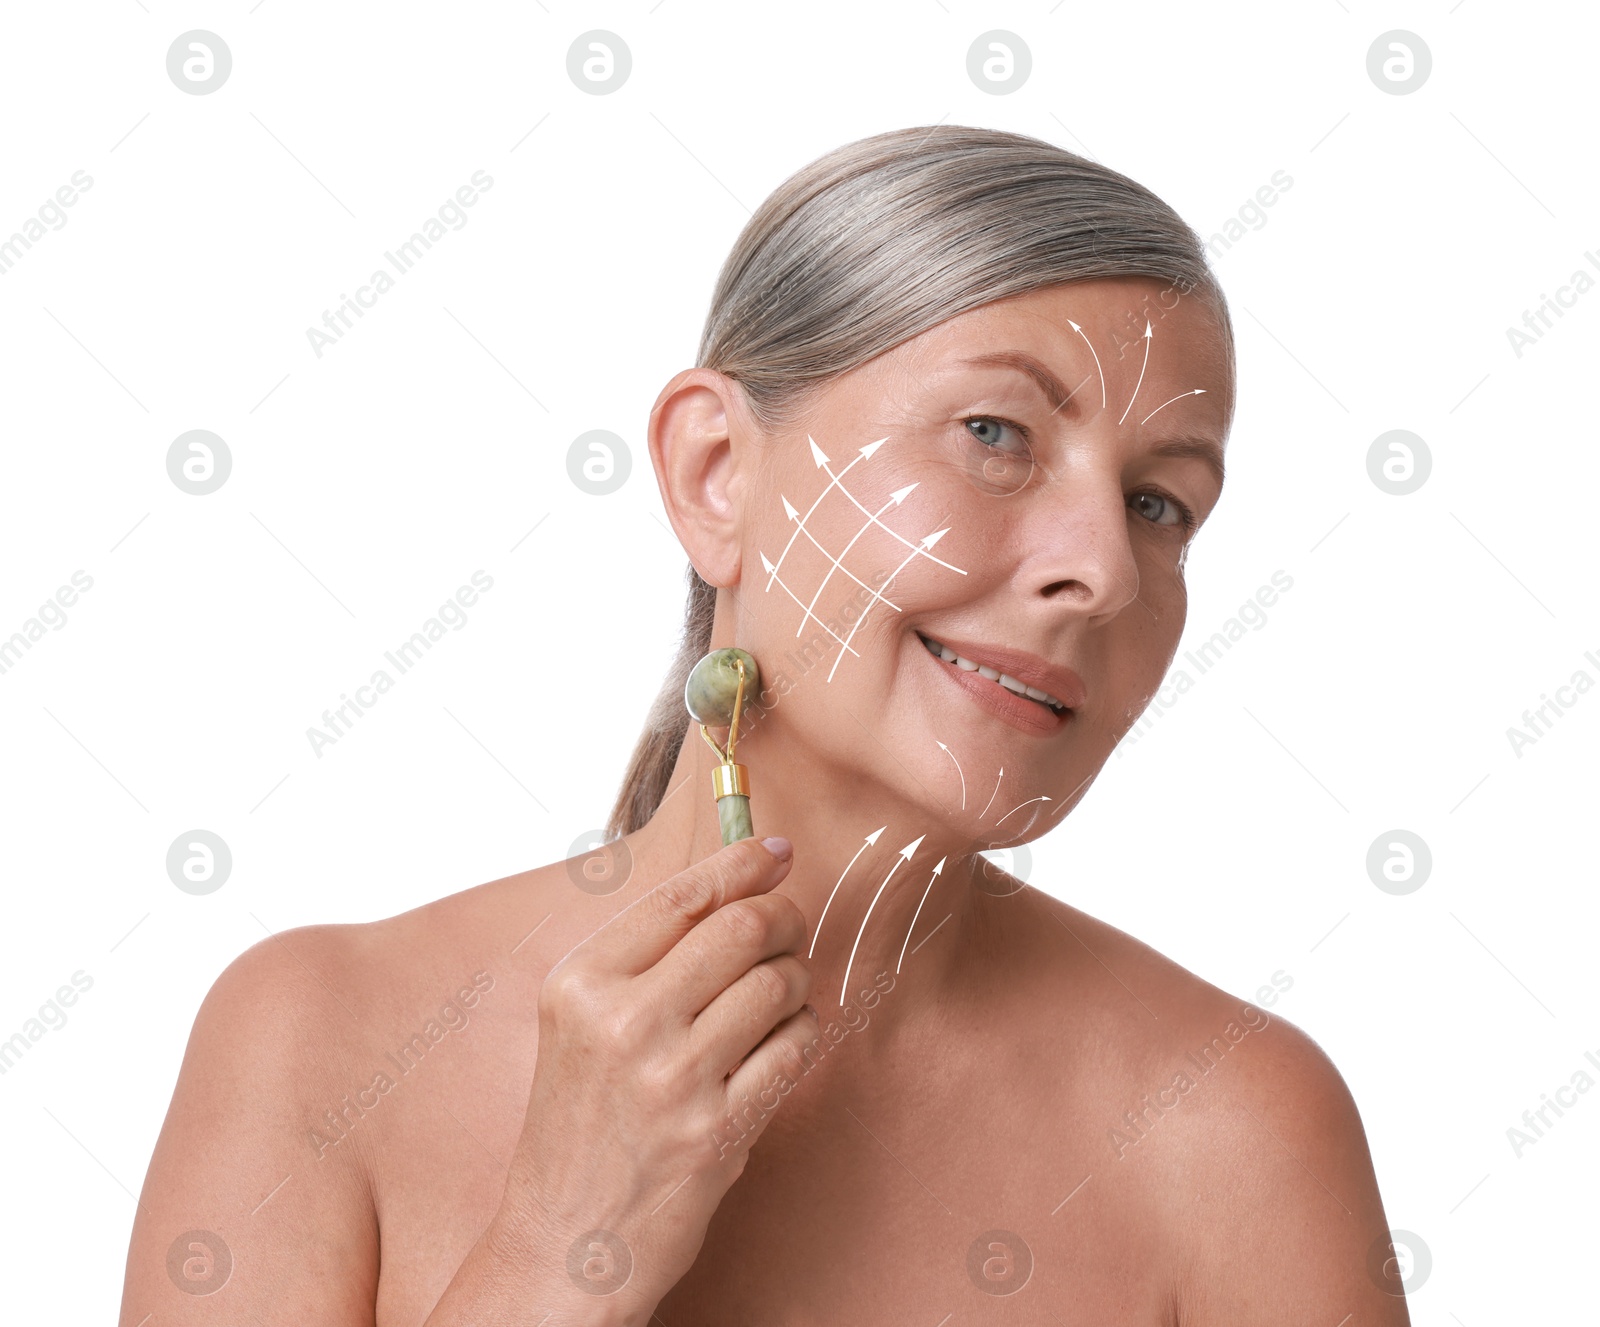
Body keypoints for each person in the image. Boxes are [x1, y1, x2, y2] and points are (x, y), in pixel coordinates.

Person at [119, 124, 1410, 1326]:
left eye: (1161, 506)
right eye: (995, 435)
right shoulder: (318, 1047)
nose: (1104, 571)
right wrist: (557, 1250)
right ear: (716, 476)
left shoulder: (1240, 1133)